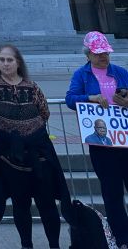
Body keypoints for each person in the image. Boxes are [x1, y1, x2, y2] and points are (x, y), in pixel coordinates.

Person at [0, 44, 68, 249]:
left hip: (39, 155)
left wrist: (28, 132)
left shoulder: (33, 87)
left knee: (47, 205)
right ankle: (26, 245)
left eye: (9, 60)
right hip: (10, 158)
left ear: (18, 62)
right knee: (20, 205)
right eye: (1, 60)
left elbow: (44, 113)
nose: (5, 64)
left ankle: (54, 245)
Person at [66, 30, 128, 247]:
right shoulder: (81, 75)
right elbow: (70, 99)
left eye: (106, 53)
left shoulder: (120, 72)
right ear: (88, 55)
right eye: (98, 53)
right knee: (112, 192)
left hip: (125, 137)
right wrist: (89, 98)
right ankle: (122, 237)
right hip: (102, 143)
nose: (103, 57)